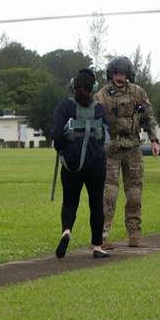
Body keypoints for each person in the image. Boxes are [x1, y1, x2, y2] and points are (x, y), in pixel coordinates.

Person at [93, 55, 160, 249]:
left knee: (134, 194)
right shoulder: (103, 95)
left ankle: (134, 234)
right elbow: (95, 120)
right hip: (111, 149)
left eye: (122, 73)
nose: (119, 77)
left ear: (128, 74)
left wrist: (154, 140)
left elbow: (149, 117)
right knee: (109, 194)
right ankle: (102, 236)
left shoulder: (138, 92)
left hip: (132, 149)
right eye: (116, 73)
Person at [51, 68, 111, 259]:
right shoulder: (100, 109)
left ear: (72, 85)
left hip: (71, 163)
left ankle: (66, 232)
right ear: (93, 87)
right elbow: (106, 137)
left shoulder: (64, 106)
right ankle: (97, 247)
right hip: (96, 164)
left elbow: (57, 135)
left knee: (70, 202)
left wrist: (62, 151)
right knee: (96, 205)